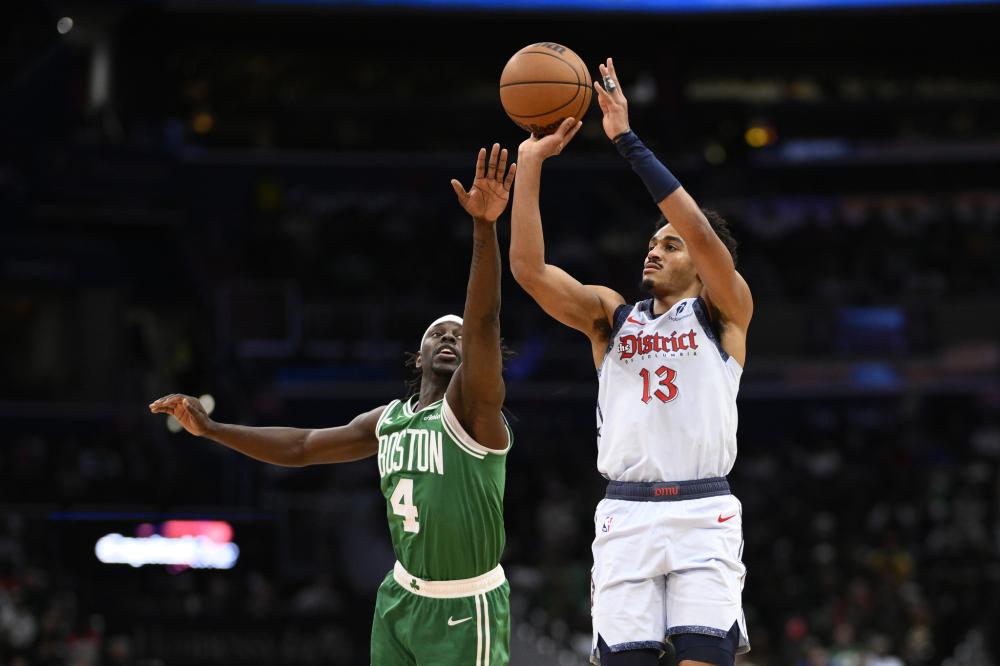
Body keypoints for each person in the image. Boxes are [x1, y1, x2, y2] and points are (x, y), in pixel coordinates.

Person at [150, 144, 517, 666]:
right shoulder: (389, 420)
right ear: (419, 355)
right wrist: (213, 429)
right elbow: (301, 446)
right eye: (439, 333)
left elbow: (482, 322)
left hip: (464, 605)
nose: (452, 337)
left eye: (459, 334)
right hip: (399, 597)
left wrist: (484, 229)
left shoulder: (476, 413)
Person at [509, 58, 753, 666]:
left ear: (701, 260)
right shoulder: (612, 317)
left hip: (703, 511)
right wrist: (530, 166)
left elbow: (697, 227)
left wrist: (625, 139)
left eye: (669, 244)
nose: (655, 248)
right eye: (651, 241)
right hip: (627, 510)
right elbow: (529, 272)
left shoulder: (726, 312)